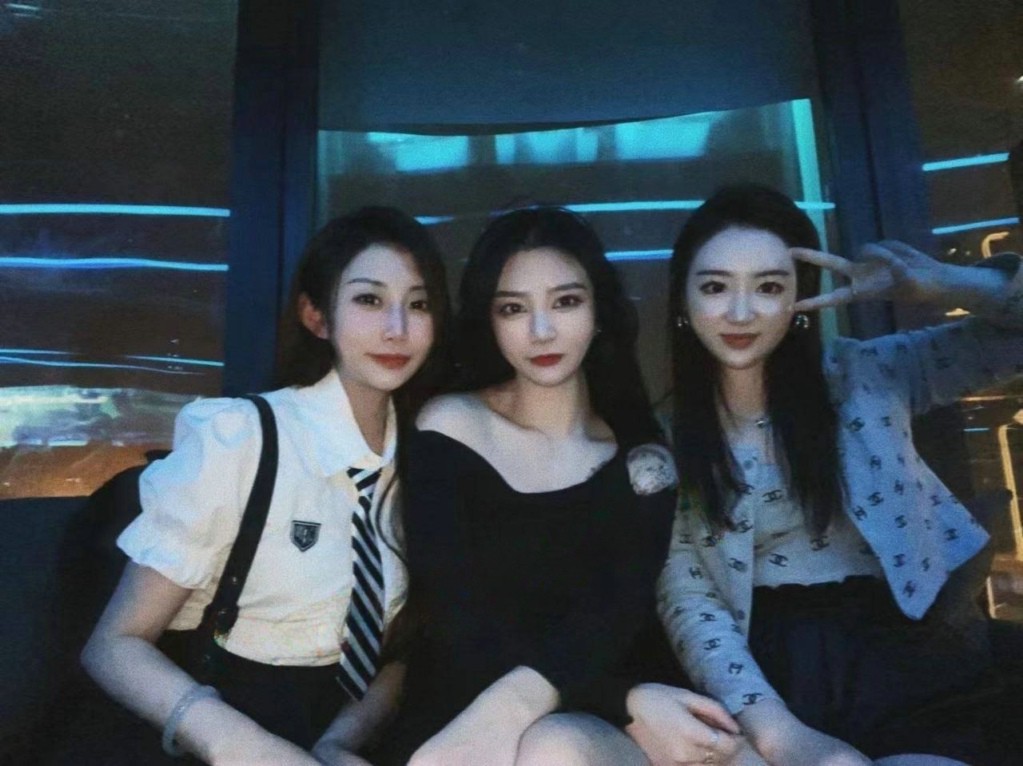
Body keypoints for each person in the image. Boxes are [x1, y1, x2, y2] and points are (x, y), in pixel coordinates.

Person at [355, 206, 743, 766]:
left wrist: (621, 702)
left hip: (597, 731)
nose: (542, 331)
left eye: (566, 302)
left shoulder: (643, 459)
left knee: (554, 750)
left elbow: (613, 618)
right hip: (467, 712)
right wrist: (626, 700)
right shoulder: (449, 425)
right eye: (513, 308)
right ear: (490, 321)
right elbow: (458, 622)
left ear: (599, 310)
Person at [652, 183, 1023, 765]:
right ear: (683, 299)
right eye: (715, 287)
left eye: (769, 287)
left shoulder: (864, 374)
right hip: (766, 673)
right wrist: (778, 733)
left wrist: (946, 284)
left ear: (800, 298)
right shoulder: (665, 439)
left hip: (909, 650)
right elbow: (690, 599)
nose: (741, 313)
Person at [80, 206, 450, 765]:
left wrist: (339, 743)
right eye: (369, 300)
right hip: (221, 724)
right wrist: (242, 748)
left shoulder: (426, 456)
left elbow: (399, 649)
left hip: (342, 730)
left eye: (418, 304)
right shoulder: (241, 438)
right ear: (316, 316)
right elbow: (113, 645)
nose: (397, 328)